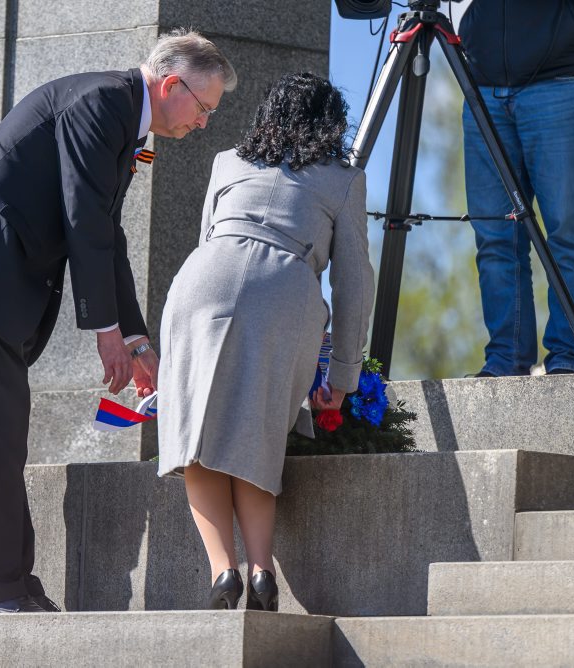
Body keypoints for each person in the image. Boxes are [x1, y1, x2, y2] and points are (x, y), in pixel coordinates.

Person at [0, 29, 236, 614]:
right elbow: (83, 218)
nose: (203, 124)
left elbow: (109, 232)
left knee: (4, 430)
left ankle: (15, 585)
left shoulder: (126, 120)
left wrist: (135, 338)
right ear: (172, 85)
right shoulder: (103, 103)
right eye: (203, 109)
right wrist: (103, 330)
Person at [156, 73, 374, 611]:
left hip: (203, 281)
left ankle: (222, 572)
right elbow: (354, 283)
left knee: (198, 437)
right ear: (331, 124)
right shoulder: (343, 180)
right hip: (285, 290)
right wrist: (343, 377)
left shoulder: (227, 161)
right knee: (258, 436)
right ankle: (260, 571)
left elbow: (208, 236)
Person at [460, 0, 574, 376]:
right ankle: (504, 360)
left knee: (569, 235)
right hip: (484, 85)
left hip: (562, 80)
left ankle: (570, 359)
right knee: (494, 239)